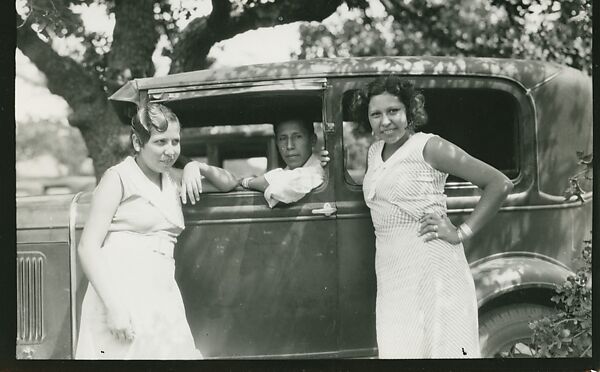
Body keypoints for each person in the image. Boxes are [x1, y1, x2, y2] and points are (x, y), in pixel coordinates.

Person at [351, 76, 513, 359]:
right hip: (392, 272)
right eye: (376, 114)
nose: (385, 121)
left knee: (441, 350)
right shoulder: (374, 152)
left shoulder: (429, 146)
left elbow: (499, 183)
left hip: (432, 266)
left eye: (393, 111)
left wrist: (460, 232)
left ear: (409, 112)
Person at [76, 103, 237, 359]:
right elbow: (87, 247)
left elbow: (230, 183)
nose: (170, 151)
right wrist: (114, 306)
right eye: (160, 142)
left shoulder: (174, 180)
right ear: (137, 143)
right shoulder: (118, 178)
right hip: (121, 290)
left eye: (175, 141)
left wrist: (196, 166)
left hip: (161, 288)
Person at [180, 117, 329, 208]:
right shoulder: (287, 172)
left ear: (313, 140)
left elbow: (280, 188)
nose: (289, 145)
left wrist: (246, 182)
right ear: (277, 143)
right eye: (283, 138)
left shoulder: (319, 168)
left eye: (297, 137)